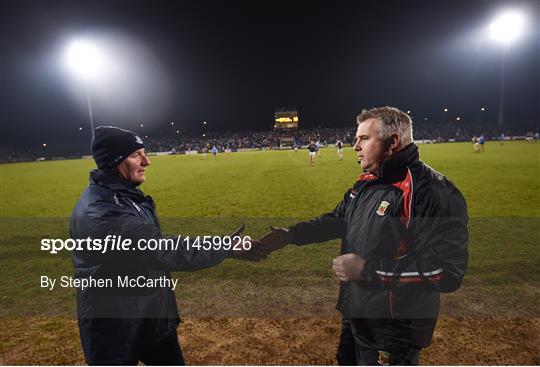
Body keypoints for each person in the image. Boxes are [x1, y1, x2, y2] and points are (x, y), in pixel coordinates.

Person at [258, 107, 468, 365]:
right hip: (357, 311)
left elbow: (445, 271)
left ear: (392, 142)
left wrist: (367, 270)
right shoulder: (367, 181)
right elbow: (338, 220)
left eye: (364, 138)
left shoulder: (432, 192)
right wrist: (291, 235)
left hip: (393, 328)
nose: (354, 145)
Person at [70, 126, 264, 365]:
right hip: (115, 328)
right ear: (113, 161)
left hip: (149, 317)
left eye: (144, 152)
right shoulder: (103, 211)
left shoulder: (125, 196)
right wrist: (226, 246)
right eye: (135, 155)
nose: (146, 161)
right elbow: (161, 250)